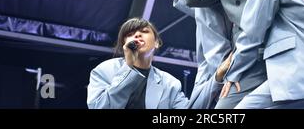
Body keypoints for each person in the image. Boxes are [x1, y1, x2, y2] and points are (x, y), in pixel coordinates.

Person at [87, 17, 231, 109]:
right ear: (123, 44)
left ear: (156, 43)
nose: (137, 35)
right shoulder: (104, 70)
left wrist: (217, 77)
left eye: (143, 31)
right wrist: (128, 68)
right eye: (130, 34)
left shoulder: (169, 83)